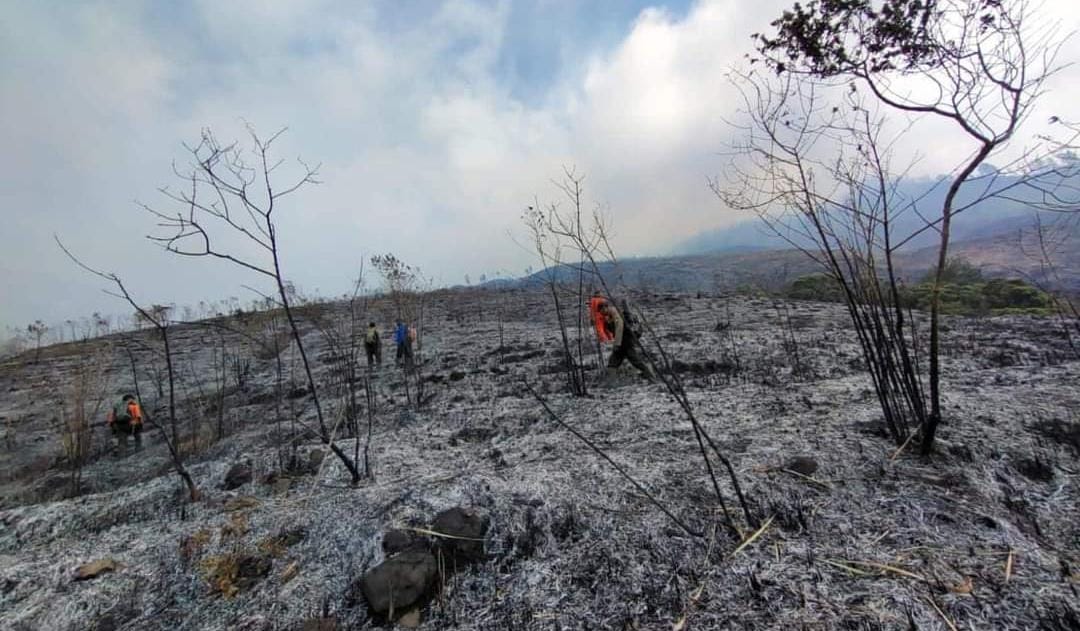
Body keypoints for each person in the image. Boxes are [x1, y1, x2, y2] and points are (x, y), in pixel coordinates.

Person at [600, 302, 654, 381]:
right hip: (623, 342)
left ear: (606, 307)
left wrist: (617, 344)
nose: (601, 313)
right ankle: (611, 381)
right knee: (613, 362)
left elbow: (619, 329)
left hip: (627, 341)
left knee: (635, 361)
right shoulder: (610, 317)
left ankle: (650, 376)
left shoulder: (616, 314)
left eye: (601, 310)